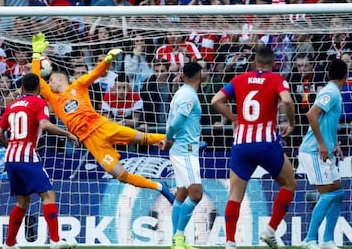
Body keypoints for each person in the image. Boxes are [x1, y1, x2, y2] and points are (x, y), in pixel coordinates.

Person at [30, 32, 175, 204]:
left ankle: (190, 144)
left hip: (101, 125)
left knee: (143, 138)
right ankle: (160, 187)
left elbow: (96, 73)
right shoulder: (53, 99)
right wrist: (36, 55)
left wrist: (107, 60)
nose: (49, 83)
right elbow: (35, 79)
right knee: (121, 175)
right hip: (91, 141)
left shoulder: (78, 85)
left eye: (51, 79)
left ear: (60, 78)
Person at [211, 46, 297, 249]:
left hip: (242, 144)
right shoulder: (276, 79)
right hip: (267, 143)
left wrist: (234, 118)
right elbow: (286, 100)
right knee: (289, 184)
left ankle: (230, 242)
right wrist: (291, 124)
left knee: (235, 195)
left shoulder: (239, 79)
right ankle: (270, 230)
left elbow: (216, 100)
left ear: (254, 63)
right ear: (274, 63)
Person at [0, 73, 79, 249]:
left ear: (22, 88)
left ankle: (9, 244)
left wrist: (9, 146)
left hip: (10, 157)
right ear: (39, 89)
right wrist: (67, 133)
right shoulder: (39, 102)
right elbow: (45, 125)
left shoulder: (11, 105)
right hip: (27, 156)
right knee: (48, 195)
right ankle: (55, 241)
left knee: (22, 202)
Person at [298, 59, 347, 249]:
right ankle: (309, 240)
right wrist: (321, 144)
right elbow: (311, 114)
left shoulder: (333, 91)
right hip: (313, 151)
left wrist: (334, 144)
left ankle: (327, 240)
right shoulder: (330, 92)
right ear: (346, 75)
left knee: (338, 193)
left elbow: (327, 122)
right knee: (327, 194)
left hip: (324, 150)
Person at [158, 62, 203, 249]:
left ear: (183, 76)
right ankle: (178, 237)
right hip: (186, 151)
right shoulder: (188, 96)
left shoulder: (180, 93)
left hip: (182, 150)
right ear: (200, 75)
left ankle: (177, 241)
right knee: (196, 194)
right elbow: (174, 124)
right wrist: (168, 138)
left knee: (182, 194)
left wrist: (170, 139)